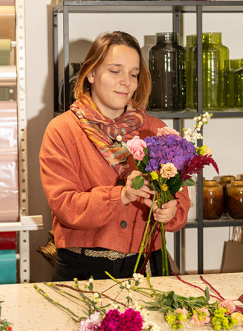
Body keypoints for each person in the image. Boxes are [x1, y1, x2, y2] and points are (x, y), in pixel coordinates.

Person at [39, 31, 191, 281]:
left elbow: (181, 197)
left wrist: (171, 209)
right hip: (82, 269)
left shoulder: (155, 129)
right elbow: (65, 205)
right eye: (115, 71)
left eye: (133, 74)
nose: (127, 82)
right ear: (90, 73)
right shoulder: (62, 130)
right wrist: (120, 196)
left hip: (149, 266)